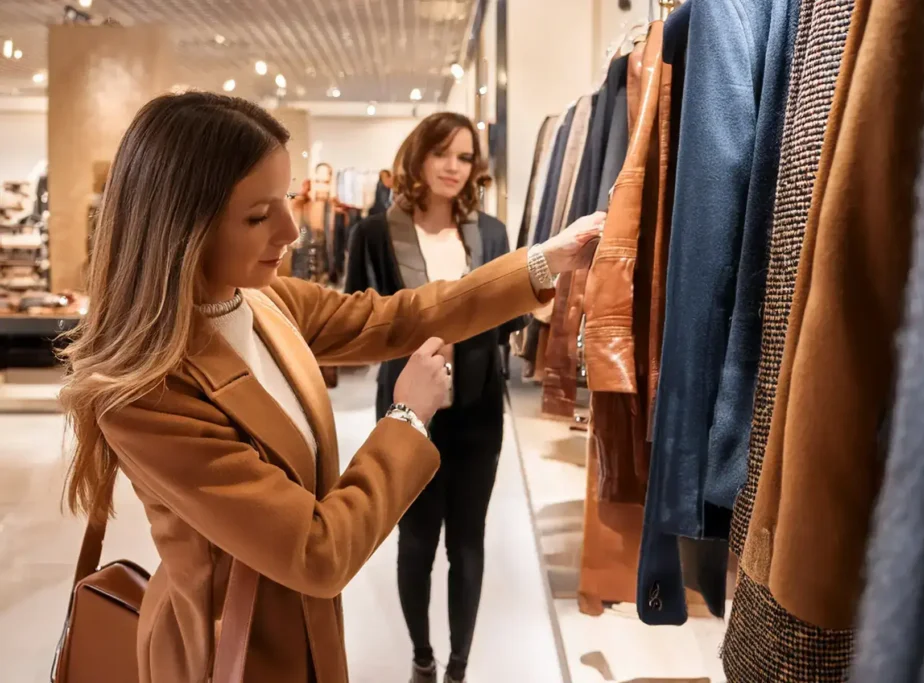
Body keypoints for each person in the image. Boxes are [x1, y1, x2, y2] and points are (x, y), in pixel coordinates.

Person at [58, 92, 605, 683]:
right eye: (258, 215)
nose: (292, 230)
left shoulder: (265, 305)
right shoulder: (148, 395)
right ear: (181, 227)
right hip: (229, 653)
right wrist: (409, 419)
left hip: (305, 629)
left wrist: (545, 262)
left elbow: (401, 317)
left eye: (287, 200)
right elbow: (316, 550)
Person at [346, 113, 586, 683]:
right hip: (410, 411)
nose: (455, 167)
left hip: (479, 410)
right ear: (418, 159)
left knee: (468, 540)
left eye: (464, 156)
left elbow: (504, 320)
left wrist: (536, 309)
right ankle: (422, 657)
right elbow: (359, 322)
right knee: (416, 539)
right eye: (443, 154)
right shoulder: (376, 234)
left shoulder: (493, 234)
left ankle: (458, 666)